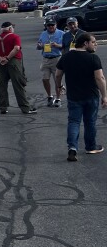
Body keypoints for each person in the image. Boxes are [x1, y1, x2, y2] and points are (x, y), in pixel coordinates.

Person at [56, 32, 107, 161]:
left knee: (74, 121)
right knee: (90, 122)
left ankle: (72, 148)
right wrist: (105, 96)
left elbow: (58, 74)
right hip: (91, 96)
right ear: (85, 43)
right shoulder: (93, 58)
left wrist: (59, 86)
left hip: (74, 96)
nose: (96, 44)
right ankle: (90, 147)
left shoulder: (66, 57)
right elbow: (99, 78)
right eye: (93, 42)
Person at [0, 21, 36, 114]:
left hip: (0, 63)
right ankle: (25, 107)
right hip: (13, 62)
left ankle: (3, 107)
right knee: (18, 85)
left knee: (1, 85)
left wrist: (1, 58)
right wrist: (7, 58)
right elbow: (17, 48)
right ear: (10, 29)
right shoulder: (15, 37)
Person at [37, 18, 65, 107]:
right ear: (46, 26)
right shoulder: (43, 34)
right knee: (45, 79)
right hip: (45, 59)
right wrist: (39, 46)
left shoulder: (61, 33)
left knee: (57, 79)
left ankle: (58, 98)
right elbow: (38, 46)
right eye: (49, 25)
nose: (51, 27)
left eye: (52, 25)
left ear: (56, 25)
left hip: (56, 58)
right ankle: (49, 96)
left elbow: (65, 46)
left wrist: (57, 45)